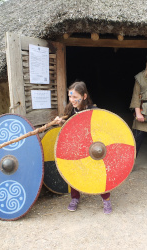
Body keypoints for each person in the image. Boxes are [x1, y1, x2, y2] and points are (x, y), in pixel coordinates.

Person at [54, 81, 112, 214]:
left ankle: (106, 199)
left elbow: (103, 131)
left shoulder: (94, 111)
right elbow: (69, 129)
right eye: (70, 96)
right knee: (73, 171)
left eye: (75, 97)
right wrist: (62, 122)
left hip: (93, 149)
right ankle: (75, 198)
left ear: (84, 96)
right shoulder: (70, 110)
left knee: (99, 172)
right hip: (77, 149)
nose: (72, 100)